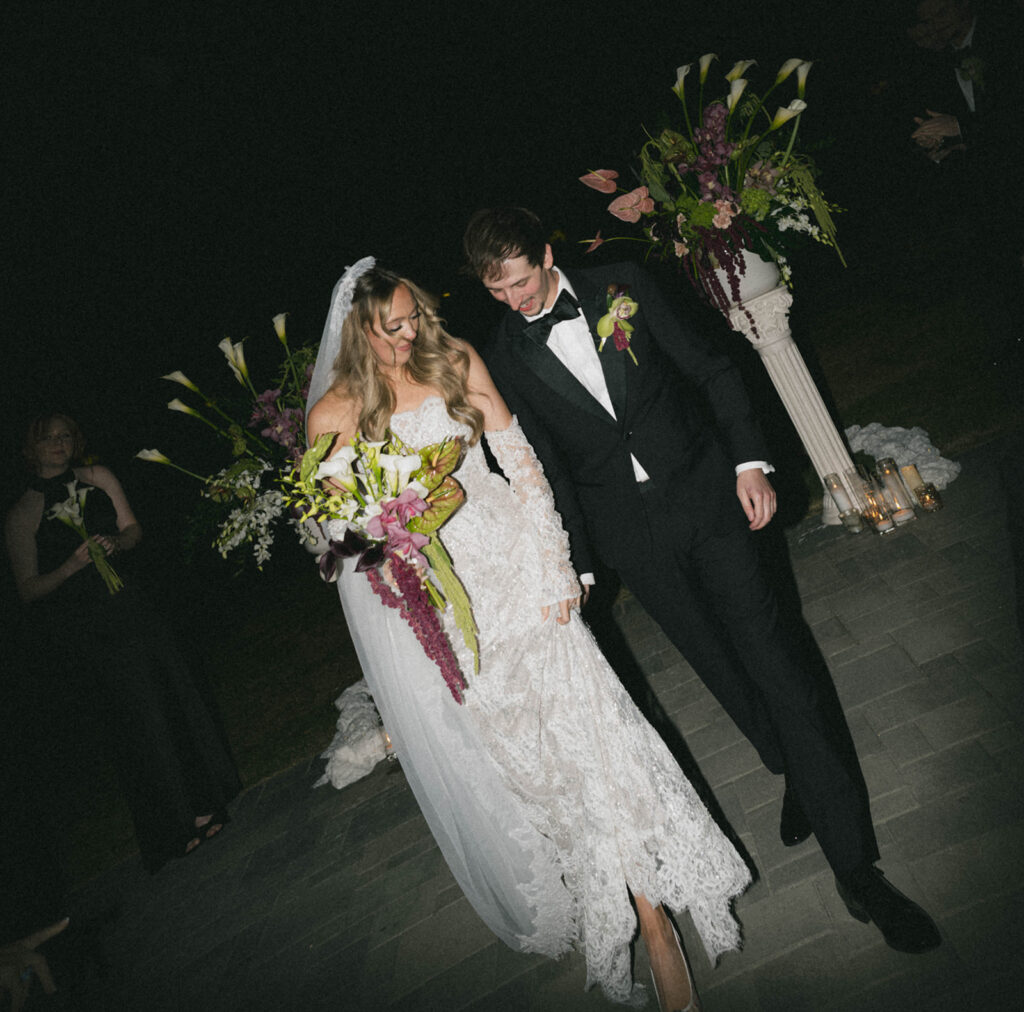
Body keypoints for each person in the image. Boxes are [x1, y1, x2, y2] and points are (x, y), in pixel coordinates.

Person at [461, 207, 942, 954]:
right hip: (634, 543)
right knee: (723, 672)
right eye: (499, 292)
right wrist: (577, 562)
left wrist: (750, 461)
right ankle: (792, 767)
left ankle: (858, 870)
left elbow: (713, 367)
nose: (515, 301)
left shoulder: (622, 283)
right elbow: (550, 467)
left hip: (710, 499)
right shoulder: (504, 355)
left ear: (547, 255)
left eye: (521, 282)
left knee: (778, 663)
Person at [306, 258, 753, 1009]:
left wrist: (555, 563)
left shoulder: (456, 359)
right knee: (544, 771)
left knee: (598, 735)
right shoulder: (332, 416)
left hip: (521, 571)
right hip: (455, 609)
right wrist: (390, 533)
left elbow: (522, 464)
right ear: (358, 332)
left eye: (413, 318)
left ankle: (653, 916)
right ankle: (619, 901)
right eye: (391, 328)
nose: (409, 335)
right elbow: (345, 542)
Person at [4, 413, 240, 872]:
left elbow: (134, 529)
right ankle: (173, 823)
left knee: (170, 699)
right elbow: (28, 589)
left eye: (66, 436)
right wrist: (71, 567)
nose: (59, 444)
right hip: (90, 626)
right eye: (49, 438)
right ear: (31, 449)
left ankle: (205, 801)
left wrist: (117, 542)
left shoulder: (97, 476)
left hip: (134, 606)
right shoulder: (22, 512)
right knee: (136, 721)